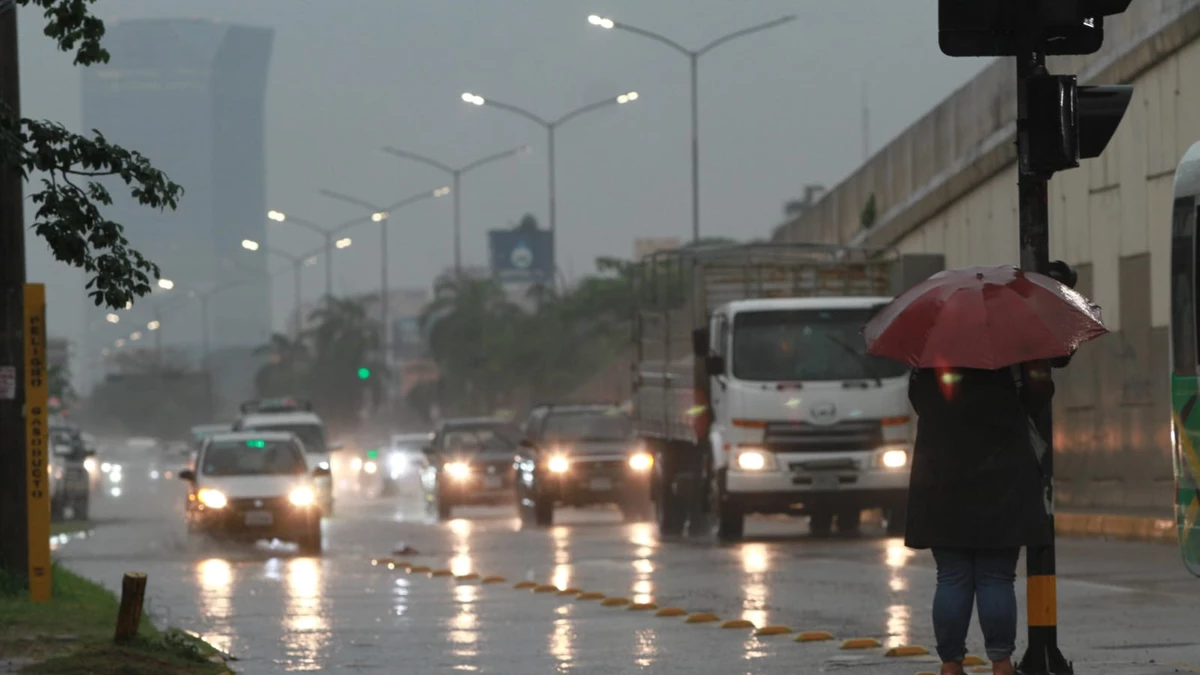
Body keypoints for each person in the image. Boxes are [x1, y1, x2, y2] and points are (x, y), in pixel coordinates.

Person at [903, 362, 1058, 675]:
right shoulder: (1008, 350)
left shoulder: (930, 351)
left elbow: (919, 401)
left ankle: (950, 664)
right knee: (996, 576)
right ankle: (1001, 662)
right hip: (1001, 475)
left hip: (941, 475)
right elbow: (1037, 397)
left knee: (951, 575)